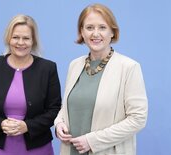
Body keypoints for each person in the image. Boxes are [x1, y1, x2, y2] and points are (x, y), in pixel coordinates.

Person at [54, 3, 148, 155]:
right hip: (70, 151)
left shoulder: (129, 67)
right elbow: (66, 107)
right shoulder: (75, 65)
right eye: (89, 27)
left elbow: (137, 119)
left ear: (112, 32)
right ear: (81, 32)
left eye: (102, 27)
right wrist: (58, 123)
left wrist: (93, 141)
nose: (95, 34)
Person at [0, 14, 61, 155]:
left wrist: (28, 126)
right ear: (8, 39)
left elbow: (54, 109)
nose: (20, 43)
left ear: (33, 41)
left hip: (37, 148)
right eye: (15, 37)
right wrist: (0, 124)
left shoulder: (47, 68)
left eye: (26, 38)